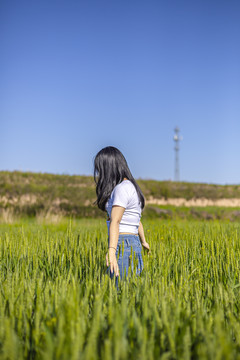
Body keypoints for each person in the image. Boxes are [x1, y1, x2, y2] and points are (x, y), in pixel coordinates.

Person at [93, 146, 150, 287]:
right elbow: (136, 221)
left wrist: (112, 251)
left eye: (100, 168)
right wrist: (143, 241)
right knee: (131, 289)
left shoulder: (121, 189)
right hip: (133, 242)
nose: (99, 173)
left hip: (122, 243)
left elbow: (115, 221)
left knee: (119, 289)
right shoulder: (132, 187)